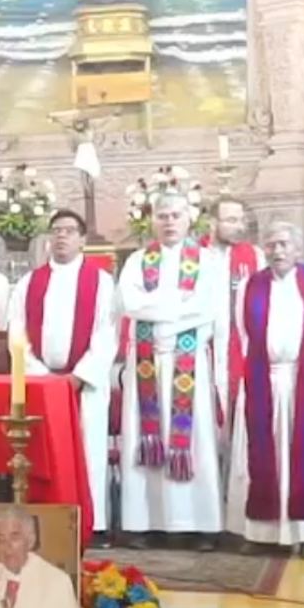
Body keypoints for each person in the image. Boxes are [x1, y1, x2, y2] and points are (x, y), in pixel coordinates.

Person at [117, 192, 229, 546]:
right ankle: (145, 523)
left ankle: (197, 526)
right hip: (145, 362)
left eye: (175, 215)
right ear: (152, 220)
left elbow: (207, 308)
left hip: (188, 362)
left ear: (188, 219)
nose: (169, 222)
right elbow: (129, 303)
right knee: (144, 439)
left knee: (192, 440)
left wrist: (157, 307)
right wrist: (177, 306)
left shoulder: (208, 261)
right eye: (162, 215)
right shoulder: (137, 261)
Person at [226, 223, 304, 558]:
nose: (278, 251)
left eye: (285, 244)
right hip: (264, 377)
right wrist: (255, 371)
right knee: (260, 454)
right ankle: (260, 530)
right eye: (272, 244)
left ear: (298, 249)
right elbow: (243, 332)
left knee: (303, 451)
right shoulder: (251, 284)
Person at [7, 211, 118, 537]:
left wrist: (80, 375)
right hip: (43, 383)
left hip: (84, 384)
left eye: (69, 231)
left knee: (89, 453)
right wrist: (42, 375)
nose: (61, 237)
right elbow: (18, 331)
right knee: (45, 452)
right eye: (56, 231)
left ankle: (92, 524)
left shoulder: (100, 281)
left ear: (82, 239)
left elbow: (107, 332)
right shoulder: (31, 282)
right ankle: (47, 522)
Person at [211, 198, 264, 432]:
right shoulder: (196, 256)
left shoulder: (255, 256)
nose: (239, 226)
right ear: (213, 222)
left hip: (241, 347)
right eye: (231, 220)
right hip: (206, 347)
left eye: (241, 220)